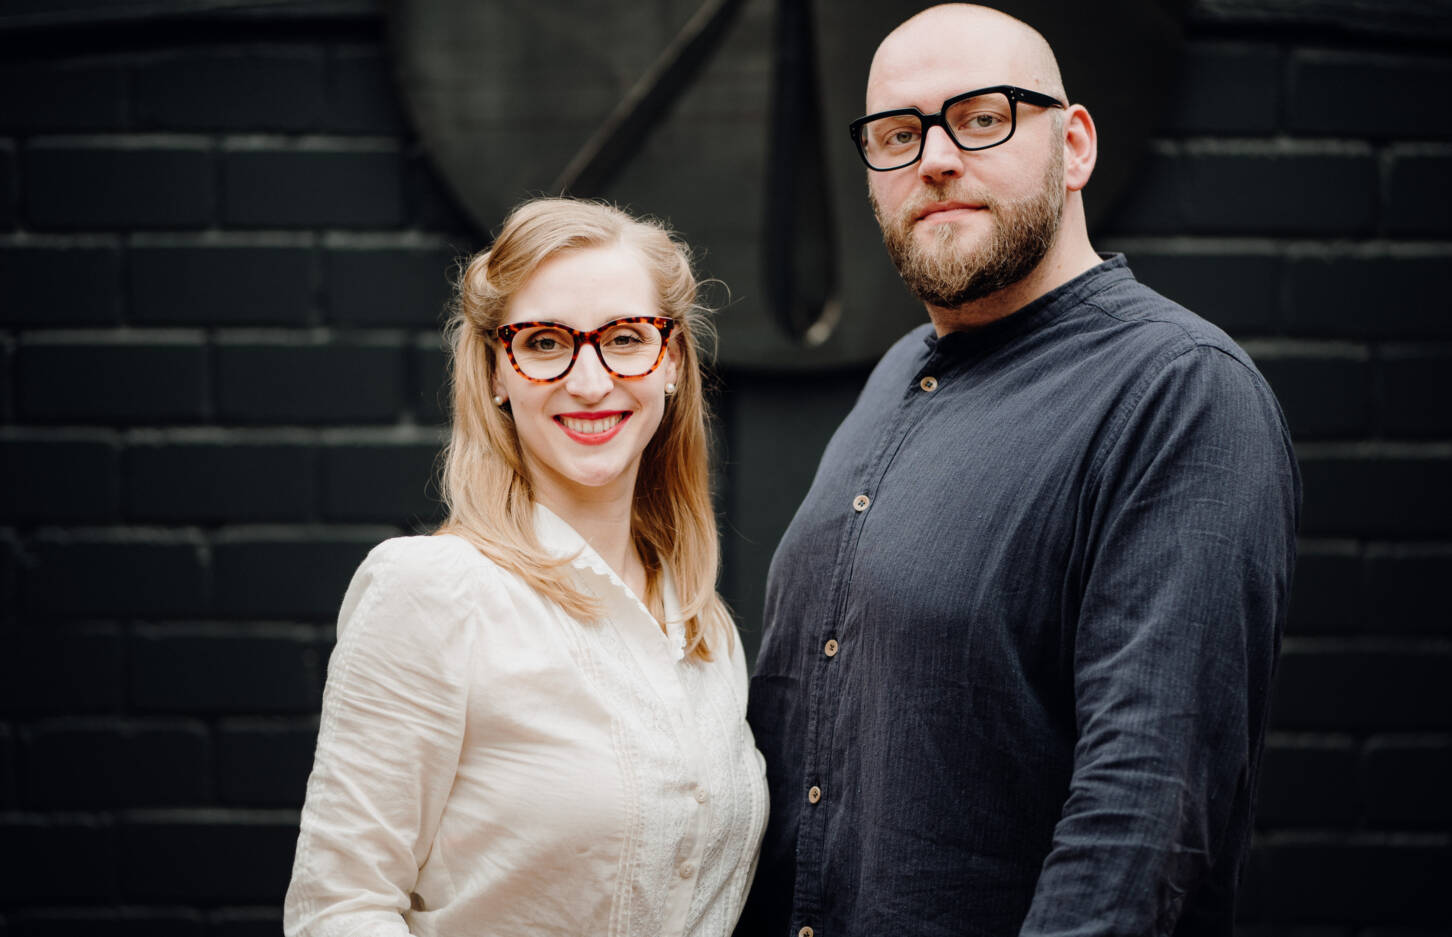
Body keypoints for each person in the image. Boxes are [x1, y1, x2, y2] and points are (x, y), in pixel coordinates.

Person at [738, 5, 1300, 936]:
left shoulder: (1178, 394)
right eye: (896, 133)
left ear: (1073, 145)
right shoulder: (895, 376)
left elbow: (1143, 824)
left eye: (983, 117)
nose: (935, 157)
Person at [284, 197, 768, 936]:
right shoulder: (433, 593)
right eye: (544, 342)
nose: (589, 379)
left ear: (670, 362)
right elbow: (339, 910)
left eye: (626, 338)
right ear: (497, 374)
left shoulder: (706, 632)